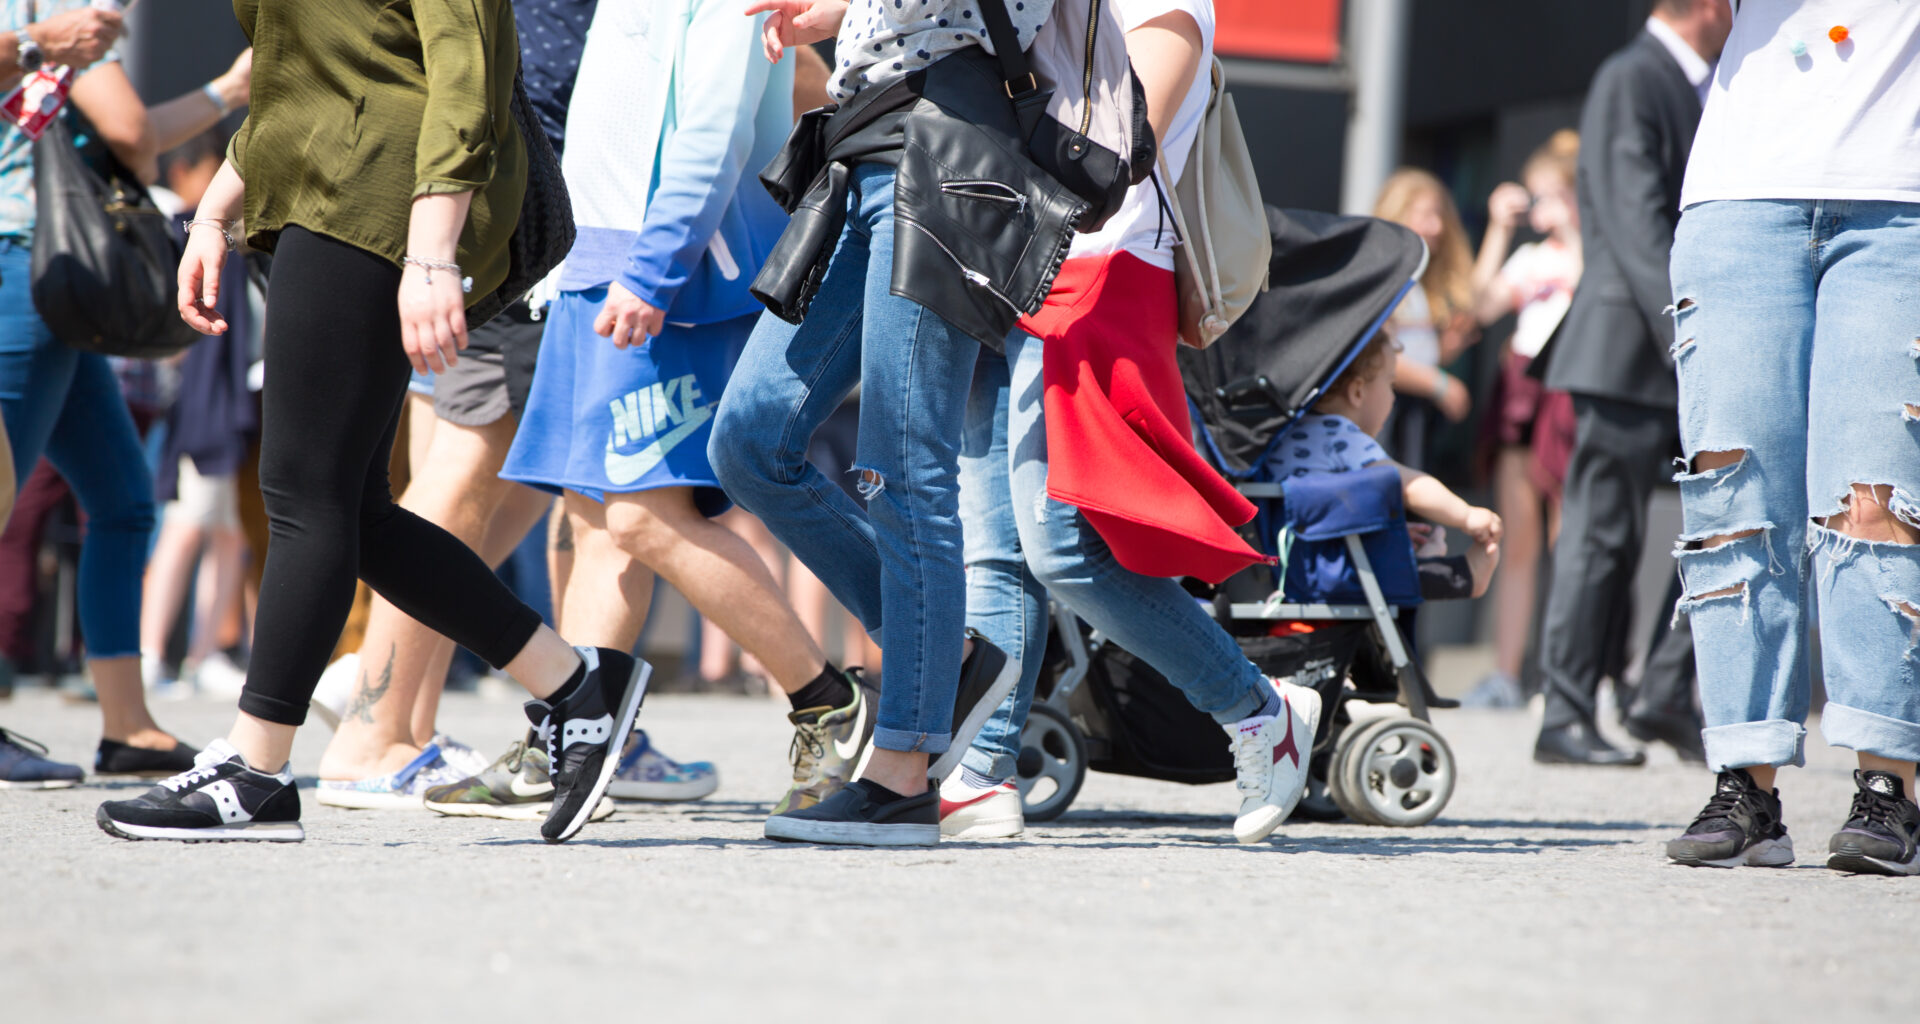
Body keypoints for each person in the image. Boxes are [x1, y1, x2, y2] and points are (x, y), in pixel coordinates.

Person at [98, 0, 645, 846]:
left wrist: (431, 254)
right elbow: (299, 72)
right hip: (316, 188)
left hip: (376, 194)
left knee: (304, 494)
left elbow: (465, 74)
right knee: (354, 510)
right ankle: (576, 687)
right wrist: (215, 209)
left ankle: (255, 768)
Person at [943, 0, 1327, 845]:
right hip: (997, 263)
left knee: (1063, 548)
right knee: (994, 544)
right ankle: (981, 771)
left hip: (1095, 270)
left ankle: (1259, 710)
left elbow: (1113, 146)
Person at [710, 0, 1074, 846]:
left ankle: (903, 774)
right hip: (859, 147)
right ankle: (945, 659)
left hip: (947, 144)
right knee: (750, 440)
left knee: (903, 464)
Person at [500, 0, 874, 820]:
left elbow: (714, 133)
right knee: (594, 518)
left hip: (663, 276)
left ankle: (827, 701)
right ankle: (575, 736)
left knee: (642, 519)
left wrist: (653, 271)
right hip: (592, 265)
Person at [1662, 1, 1920, 875]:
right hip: (1740, 192)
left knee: (1874, 497)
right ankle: (1747, 783)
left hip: (1899, 197)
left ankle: (1887, 787)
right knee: (1732, 498)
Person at [0, 2, 252, 780]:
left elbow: (133, 131)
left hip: (45, 272)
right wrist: (43, 41)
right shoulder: (57, 10)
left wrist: (228, 91)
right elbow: (132, 132)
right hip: (27, 266)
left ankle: (128, 727)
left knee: (122, 502)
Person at [1527, 0, 1730, 767]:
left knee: (1729, 513)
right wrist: (1687, 335)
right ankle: (1565, 712)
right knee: (1602, 533)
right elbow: (1638, 224)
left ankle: (1664, 691)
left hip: (1673, 340)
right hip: (1633, 345)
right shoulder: (1634, 75)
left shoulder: (1689, 83)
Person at [1459, 131, 1585, 711]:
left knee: (1571, 541)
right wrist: (1498, 228)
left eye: (1550, 194)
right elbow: (1477, 307)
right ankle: (1507, 675)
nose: (1540, 206)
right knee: (1519, 541)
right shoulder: (1532, 257)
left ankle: (1566, 679)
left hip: (1573, 393)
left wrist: (1577, 228)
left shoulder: (1594, 252)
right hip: (1523, 391)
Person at [141, 131, 258, 700]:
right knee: (187, 528)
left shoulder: (216, 236)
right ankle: (152, 652)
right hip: (205, 407)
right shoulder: (187, 230)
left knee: (227, 534)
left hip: (227, 404)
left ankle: (204, 651)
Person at [1371, 170, 1477, 471]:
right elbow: (1375, 354)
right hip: (1388, 409)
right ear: (1397, 212)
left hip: (1416, 412)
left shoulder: (1420, 283)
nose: (1438, 227)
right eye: (1427, 215)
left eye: (1440, 216)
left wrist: (1444, 350)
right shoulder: (1382, 277)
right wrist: (1439, 384)